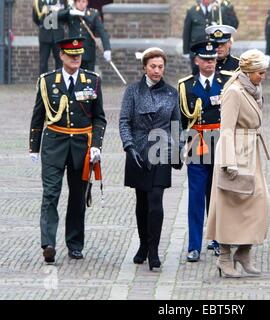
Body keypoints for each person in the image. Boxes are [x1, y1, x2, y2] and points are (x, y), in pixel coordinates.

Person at [29, 37, 107, 263]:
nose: (75, 59)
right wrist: (34, 147)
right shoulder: (47, 81)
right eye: (71, 55)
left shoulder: (92, 81)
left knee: (77, 197)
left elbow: (99, 118)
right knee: (51, 194)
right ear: (61, 56)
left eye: (79, 55)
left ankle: (74, 244)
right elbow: (38, 116)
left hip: (81, 146)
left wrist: (96, 146)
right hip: (54, 143)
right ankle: (49, 243)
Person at [206, 49, 270, 278]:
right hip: (235, 153)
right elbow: (226, 129)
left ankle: (244, 251)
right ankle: (224, 257)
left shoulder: (252, 89)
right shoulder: (234, 91)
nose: (263, 76)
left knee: (260, 204)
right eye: (260, 73)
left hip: (250, 152)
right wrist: (228, 161)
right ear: (249, 71)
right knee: (229, 207)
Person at [119, 48, 183, 271]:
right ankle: (143, 246)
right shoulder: (133, 91)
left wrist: (177, 153)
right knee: (142, 202)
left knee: (156, 200)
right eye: (153, 66)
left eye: (161, 66)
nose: (157, 70)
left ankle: (154, 250)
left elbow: (177, 126)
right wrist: (129, 146)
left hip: (161, 149)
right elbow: (124, 121)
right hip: (138, 150)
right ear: (145, 67)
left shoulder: (171, 93)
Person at [179, 40, 231, 262]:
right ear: (196, 60)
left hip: (219, 142)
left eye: (213, 59)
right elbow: (181, 119)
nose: (210, 63)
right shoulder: (186, 86)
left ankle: (218, 239)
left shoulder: (227, 81)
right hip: (196, 143)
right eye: (205, 59)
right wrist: (178, 149)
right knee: (196, 196)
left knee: (218, 195)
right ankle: (193, 245)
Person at [182, 0, 238, 75]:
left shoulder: (219, 9)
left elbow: (232, 24)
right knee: (197, 74)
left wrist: (227, 7)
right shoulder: (192, 10)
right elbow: (186, 31)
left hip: (213, 50)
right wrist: (186, 51)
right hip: (197, 51)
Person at [59, 0, 112, 71]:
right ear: (75, 3)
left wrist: (107, 49)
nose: (81, 4)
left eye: (83, 1)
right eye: (79, 1)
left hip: (88, 52)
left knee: (89, 77)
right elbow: (57, 16)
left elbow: (102, 32)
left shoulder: (93, 14)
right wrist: (69, 12)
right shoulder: (71, 13)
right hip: (74, 52)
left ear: (87, 3)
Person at [32, 0, 67, 75]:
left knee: (59, 61)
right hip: (44, 35)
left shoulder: (61, 1)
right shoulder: (38, 2)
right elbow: (35, 18)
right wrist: (44, 26)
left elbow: (65, 15)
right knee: (43, 63)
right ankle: (43, 83)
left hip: (58, 36)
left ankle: (59, 83)